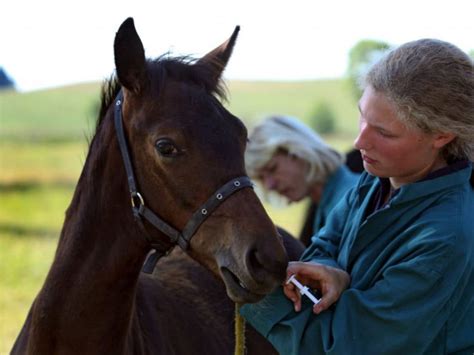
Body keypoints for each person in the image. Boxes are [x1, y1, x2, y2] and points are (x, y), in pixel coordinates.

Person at [241, 38, 474, 354]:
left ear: (442, 136)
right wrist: (332, 274)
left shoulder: (445, 236)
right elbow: (325, 244)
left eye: (384, 132)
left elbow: (346, 346)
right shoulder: (377, 180)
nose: (360, 140)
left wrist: (252, 285)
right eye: (363, 116)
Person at [245, 115, 360, 245]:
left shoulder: (354, 202)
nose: (269, 185)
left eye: (272, 169)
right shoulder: (325, 207)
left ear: (298, 151)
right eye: (261, 178)